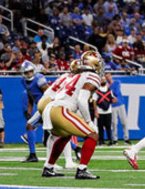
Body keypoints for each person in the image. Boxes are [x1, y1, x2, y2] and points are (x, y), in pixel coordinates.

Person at [42, 51, 103, 180]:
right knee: (92, 135)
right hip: (61, 109)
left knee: (65, 135)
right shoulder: (91, 76)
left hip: (51, 108)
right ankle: (82, 170)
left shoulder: (75, 76)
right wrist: (88, 121)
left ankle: (48, 167)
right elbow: (81, 100)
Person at [20, 61, 49, 162]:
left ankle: (33, 155)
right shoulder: (23, 81)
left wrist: (46, 108)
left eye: (31, 71)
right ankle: (76, 148)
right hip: (40, 106)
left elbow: (48, 93)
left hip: (46, 105)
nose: (29, 74)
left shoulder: (39, 79)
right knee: (56, 132)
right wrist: (29, 111)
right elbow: (30, 96)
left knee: (29, 126)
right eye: (27, 72)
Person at [94, 75, 115, 145]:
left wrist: (113, 100)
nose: (103, 81)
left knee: (108, 126)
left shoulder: (109, 90)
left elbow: (112, 99)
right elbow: (94, 101)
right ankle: (101, 140)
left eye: (103, 80)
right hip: (100, 111)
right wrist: (96, 111)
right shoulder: (96, 90)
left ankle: (110, 140)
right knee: (100, 127)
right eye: (101, 80)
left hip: (108, 111)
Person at [109, 74, 129, 144]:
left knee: (124, 121)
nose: (108, 78)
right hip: (112, 105)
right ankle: (115, 139)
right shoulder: (106, 85)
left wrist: (109, 88)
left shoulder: (117, 82)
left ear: (111, 77)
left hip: (120, 103)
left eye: (109, 76)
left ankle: (126, 138)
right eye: (106, 77)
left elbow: (116, 92)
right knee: (114, 123)